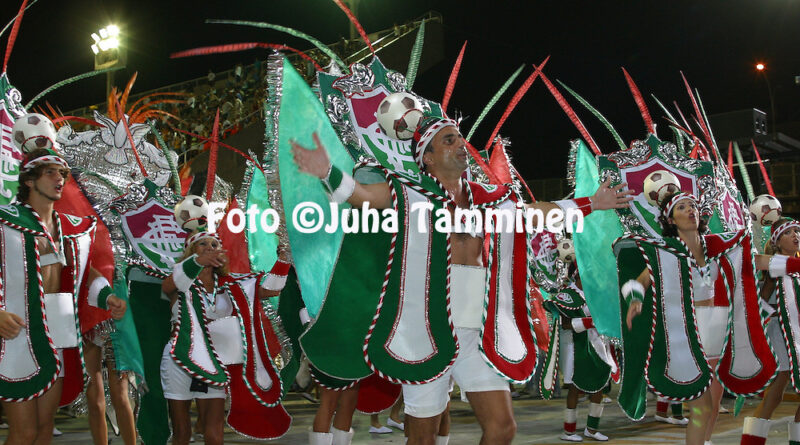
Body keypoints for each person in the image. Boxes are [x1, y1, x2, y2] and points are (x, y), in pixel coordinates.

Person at [292, 115, 632, 445]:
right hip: (425, 331)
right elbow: (363, 195)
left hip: (479, 333)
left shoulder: (491, 202)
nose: (461, 146)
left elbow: (537, 211)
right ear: (427, 156)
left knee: (502, 428)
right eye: (449, 140)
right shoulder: (412, 197)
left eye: (460, 139)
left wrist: (592, 203)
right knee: (422, 437)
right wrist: (327, 172)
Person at [619, 192, 777, 445]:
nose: (690, 210)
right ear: (671, 219)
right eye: (682, 207)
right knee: (701, 407)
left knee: (713, 405)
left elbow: (753, 261)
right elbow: (637, 283)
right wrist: (635, 301)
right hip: (689, 332)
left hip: (718, 329)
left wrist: (789, 264)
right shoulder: (667, 252)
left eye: (692, 205)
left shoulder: (716, 245)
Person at [0, 148, 126, 445]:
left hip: (57, 332)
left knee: (45, 429)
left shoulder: (73, 227)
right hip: (15, 334)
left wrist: (106, 296)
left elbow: (85, 273)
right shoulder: (6, 223)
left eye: (63, 174)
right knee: (24, 432)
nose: (60, 179)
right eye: (50, 172)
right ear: (29, 180)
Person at [160, 230, 292, 445]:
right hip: (179, 358)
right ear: (191, 252)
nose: (210, 248)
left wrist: (284, 260)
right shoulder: (183, 281)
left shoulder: (232, 285)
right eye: (203, 244)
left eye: (214, 244)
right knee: (182, 432)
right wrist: (197, 262)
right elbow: (168, 286)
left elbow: (272, 288)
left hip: (214, 363)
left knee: (214, 434)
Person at [740, 218, 800, 445]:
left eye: (798, 231)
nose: (796, 236)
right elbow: (762, 302)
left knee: (775, 395)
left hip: (798, 335)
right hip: (783, 336)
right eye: (789, 233)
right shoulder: (776, 267)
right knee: (774, 396)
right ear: (777, 241)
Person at [544, 264, 614, 442]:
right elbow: (566, 325)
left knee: (599, 385)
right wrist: (590, 323)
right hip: (575, 347)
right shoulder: (568, 295)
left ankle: (592, 429)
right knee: (576, 387)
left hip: (597, 344)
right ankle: (569, 431)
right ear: (577, 277)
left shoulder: (595, 293)